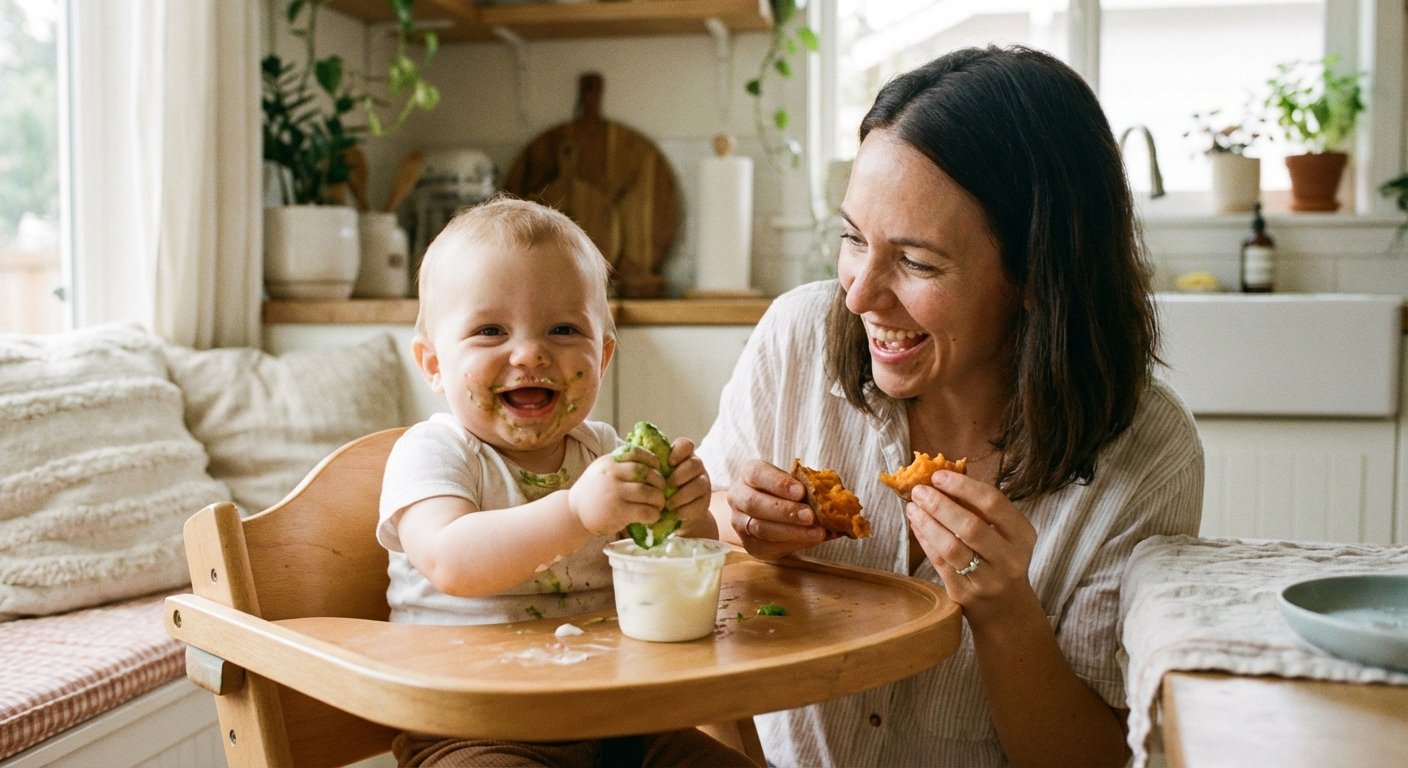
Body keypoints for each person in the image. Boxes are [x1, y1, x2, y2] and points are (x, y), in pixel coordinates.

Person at [700, 46, 1203, 767]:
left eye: (917, 262)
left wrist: (1005, 616)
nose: (860, 294)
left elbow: (1099, 758)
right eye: (852, 239)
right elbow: (694, 538)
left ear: (1037, 275)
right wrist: (737, 522)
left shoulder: (1149, 454)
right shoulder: (797, 338)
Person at [377, 197, 752, 767]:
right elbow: (450, 560)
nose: (530, 353)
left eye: (562, 328)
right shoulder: (434, 453)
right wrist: (575, 512)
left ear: (602, 357)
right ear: (433, 365)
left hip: (623, 718)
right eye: (489, 330)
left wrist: (689, 511)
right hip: (473, 729)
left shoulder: (601, 451)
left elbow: (672, 557)